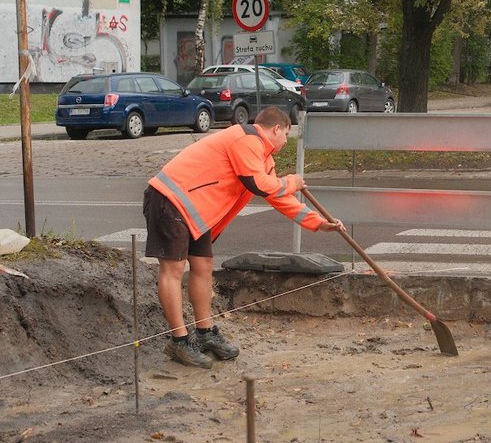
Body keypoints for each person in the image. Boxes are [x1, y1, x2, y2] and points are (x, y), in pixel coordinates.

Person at [143, 106, 344, 368]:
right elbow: (257, 185)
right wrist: (292, 182)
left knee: (203, 266)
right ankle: (179, 341)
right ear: (276, 129)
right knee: (173, 270)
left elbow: (278, 197)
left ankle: (204, 333)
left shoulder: (263, 159)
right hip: (171, 200)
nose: (286, 141)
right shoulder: (246, 139)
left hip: (196, 212)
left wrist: (318, 223)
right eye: (286, 134)